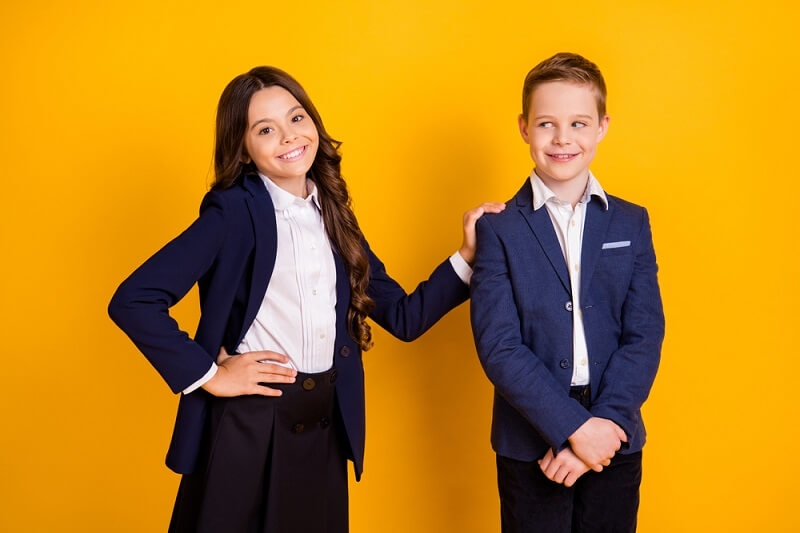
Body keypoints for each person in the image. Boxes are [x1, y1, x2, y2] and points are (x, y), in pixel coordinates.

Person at [108, 66, 503, 533]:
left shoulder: (335, 213)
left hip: (324, 427)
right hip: (250, 425)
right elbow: (134, 299)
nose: (288, 137)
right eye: (265, 129)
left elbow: (402, 315)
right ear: (244, 149)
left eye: (296, 119)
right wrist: (209, 375)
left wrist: (467, 256)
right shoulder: (233, 211)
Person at [469, 52, 665, 532]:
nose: (562, 139)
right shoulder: (498, 229)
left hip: (614, 436)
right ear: (523, 127)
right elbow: (499, 346)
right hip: (530, 440)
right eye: (546, 124)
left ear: (601, 126)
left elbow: (644, 334)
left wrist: (602, 430)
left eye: (578, 123)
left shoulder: (630, 221)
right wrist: (573, 429)